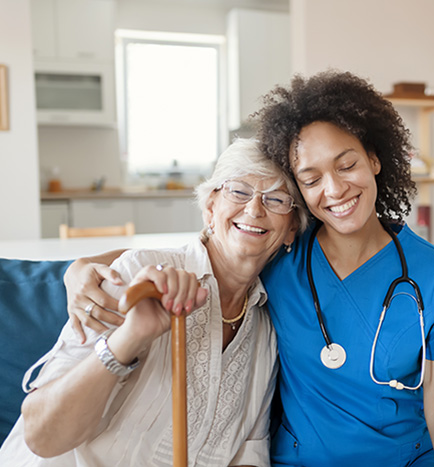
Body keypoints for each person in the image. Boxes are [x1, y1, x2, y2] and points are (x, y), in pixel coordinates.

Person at [62, 71, 434, 466]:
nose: (335, 189)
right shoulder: (283, 255)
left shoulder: (432, 275)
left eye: (347, 164)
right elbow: (199, 250)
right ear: (300, 190)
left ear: (374, 159)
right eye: (311, 177)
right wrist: (80, 266)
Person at [0, 138, 309, 467]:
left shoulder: (267, 327)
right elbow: (41, 436)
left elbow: (248, 453)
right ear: (210, 208)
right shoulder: (137, 273)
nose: (254, 209)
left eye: (276, 199)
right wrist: (131, 335)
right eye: (238, 191)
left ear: (292, 228)